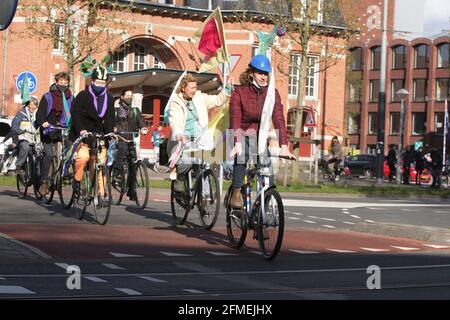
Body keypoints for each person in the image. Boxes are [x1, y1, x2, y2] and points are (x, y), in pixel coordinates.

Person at [229, 54, 293, 208]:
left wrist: (284, 145)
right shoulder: (239, 93)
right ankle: (236, 191)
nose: (264, 77)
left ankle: (265, 200)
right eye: (260, 73)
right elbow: (235, 119)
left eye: (266, 74)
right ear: (252, 73)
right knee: (242, 155)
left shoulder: (272, 94)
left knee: (265, 165)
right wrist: (237, 142)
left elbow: (278, 118)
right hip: (242, 132)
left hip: (261, 134)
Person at [167, 73, 233, 192]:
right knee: (187, 161)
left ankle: (205, 199)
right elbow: (174, 120)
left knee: (204, 166)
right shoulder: (176, 102)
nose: (194, 90)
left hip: (200, 139)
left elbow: (217, 100)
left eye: (195, 87)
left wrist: (227, 88)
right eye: (191, 88)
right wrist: (178, 133)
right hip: (184, 140)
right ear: (183, 88)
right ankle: (180, 178)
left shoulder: (199, 97)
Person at [70, 66, 115, 198]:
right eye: (98, 82)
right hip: (82, 133)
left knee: (100, 161)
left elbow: (110, 117)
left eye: (103, 83)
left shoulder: (109, 98)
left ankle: (100, 191)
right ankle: (77, 180)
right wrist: (81, 129)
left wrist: (110, 132)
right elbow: (76, 114)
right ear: (92, 81)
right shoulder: (83, 96)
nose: (100, 85)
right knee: (83, 157)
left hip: (99, 135)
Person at [36, 71, 74, 196]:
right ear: (56, 82)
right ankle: (44, 181)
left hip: (62, 129)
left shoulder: (70, 98)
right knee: (49, 154)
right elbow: (40, 114)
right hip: (48, 129)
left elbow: (74, 114)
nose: (63, 84)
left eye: (65, 83)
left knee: (70, 148)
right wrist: (43, 123)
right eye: (61, 82)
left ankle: (66, 171)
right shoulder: (48, 96)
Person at [112, 87, 148, 200]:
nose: (129, 98)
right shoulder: (116, 111)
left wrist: (143, 128)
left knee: (133, 165)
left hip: (131, 140)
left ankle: (131, 191)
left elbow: (141, 122)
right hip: (120, 138)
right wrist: (114, 129)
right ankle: (117, 172)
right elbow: (112, 122)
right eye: (127, 96)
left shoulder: (135, 111)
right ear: (122, 97)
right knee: (122, 148)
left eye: (131, 96)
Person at [10, 97, 39, 174]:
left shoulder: (37, 114)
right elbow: (14, 124)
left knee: (40, 151)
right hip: (22, 137)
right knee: (25, 147)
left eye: (35, 106)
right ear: (28, 105)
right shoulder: (21, 114)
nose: (33, 107)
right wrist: (18, 131)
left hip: (34, 139)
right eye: (31, 105)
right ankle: (18, 166)